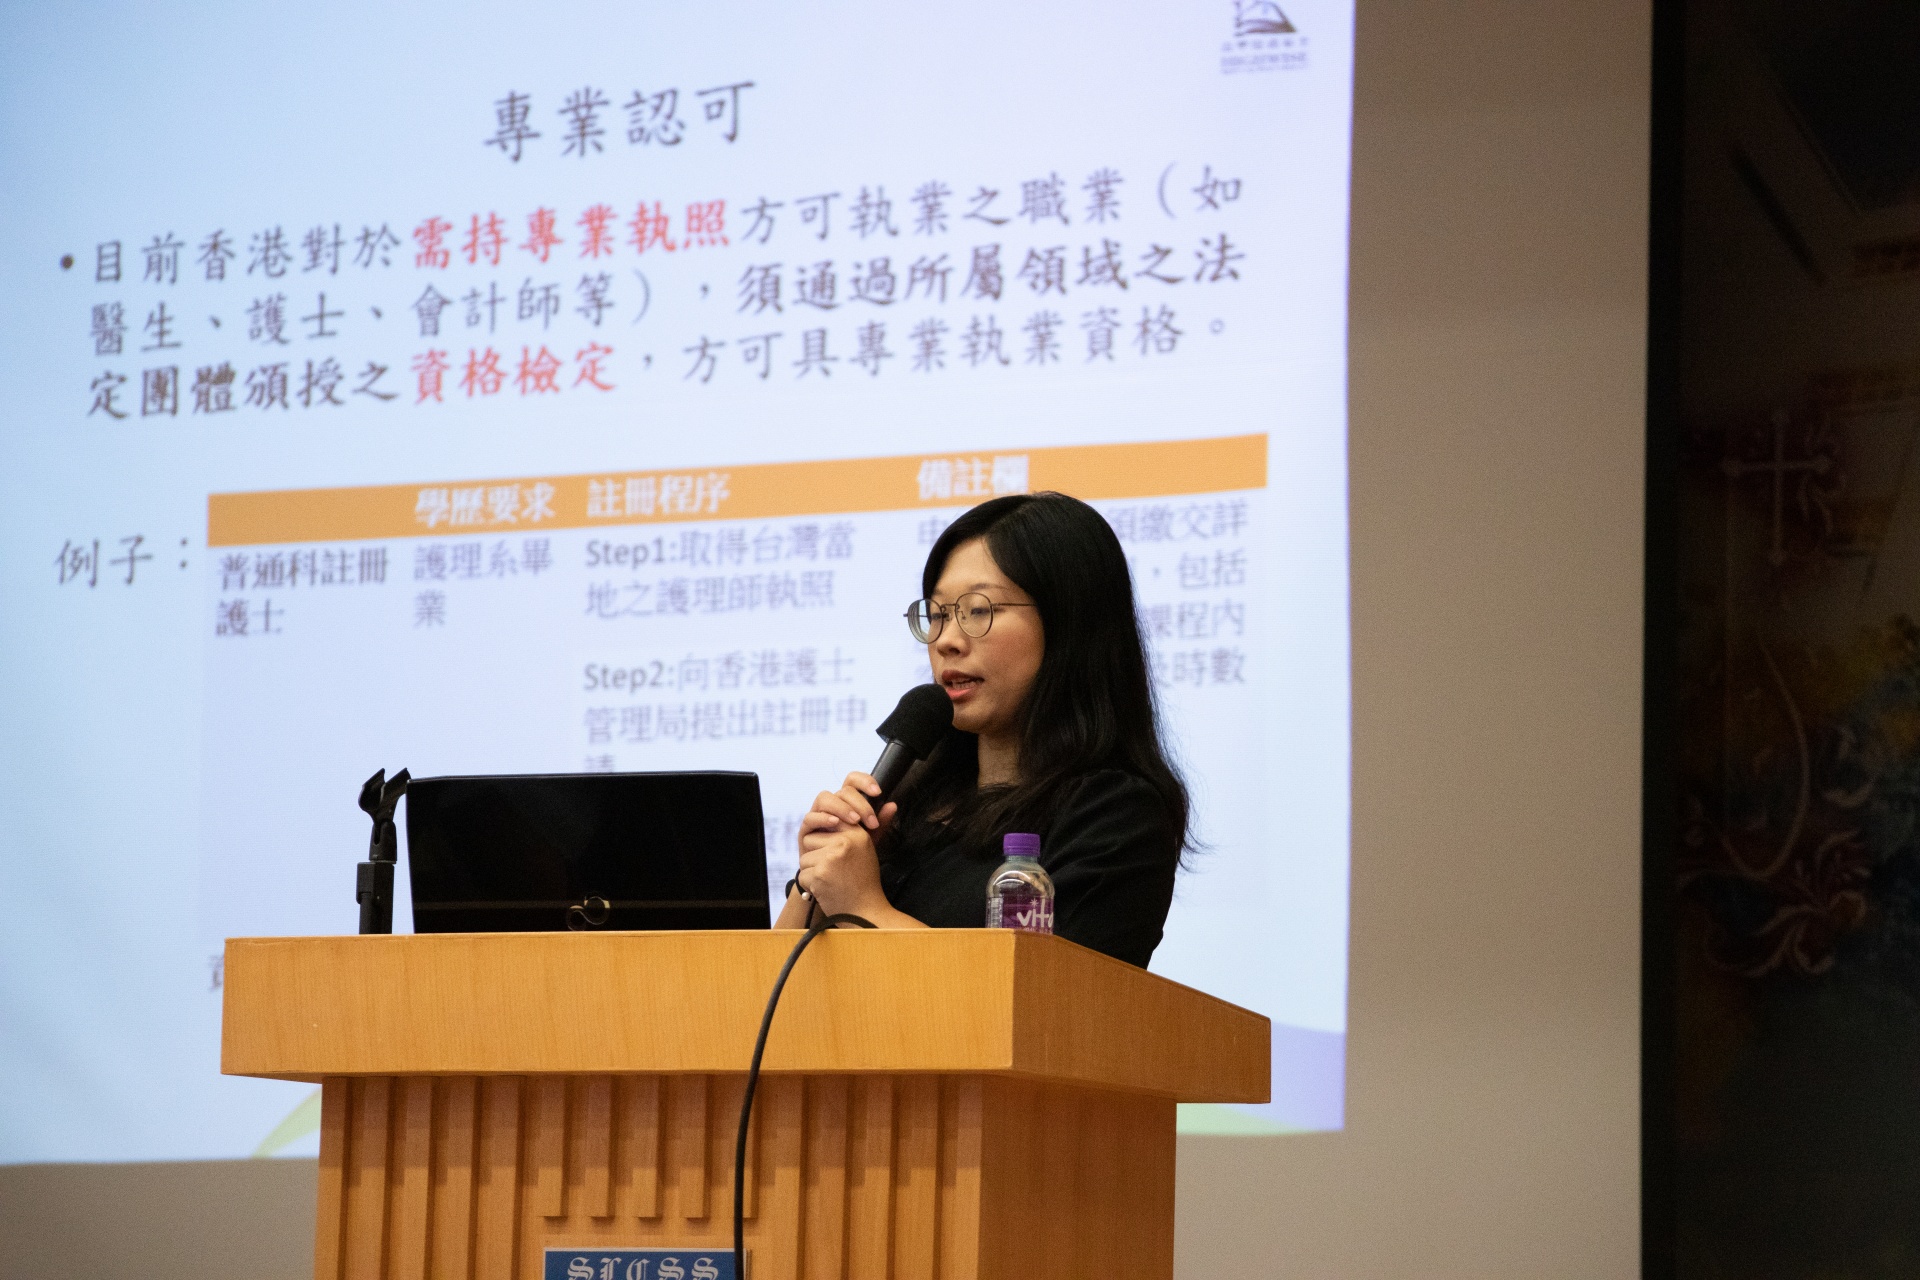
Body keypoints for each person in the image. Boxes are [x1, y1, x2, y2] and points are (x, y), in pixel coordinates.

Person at [774, 491, 1190, 968]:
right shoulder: (906, 806)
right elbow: (766, 985)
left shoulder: (1114, 815)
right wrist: (817, 878)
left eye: (978, 610)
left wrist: (864, 908)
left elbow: (1040, 998)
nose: (947, 641)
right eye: (938, 615)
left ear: (1068, 623)